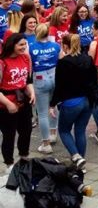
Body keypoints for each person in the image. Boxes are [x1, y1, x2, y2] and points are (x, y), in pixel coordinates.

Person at [50, 33, 98, 171]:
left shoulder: (63, 63)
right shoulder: (88, 59)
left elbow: (59, 86)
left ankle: (76, 156)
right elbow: (94, 80)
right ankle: (80, 165)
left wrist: (52, 104)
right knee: (80, 131)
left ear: (65, 46)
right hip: (87, 101)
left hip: (71, 102)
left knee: (64, 130)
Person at [0, 33, 34, 170]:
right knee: (9, 135)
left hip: (23, 100)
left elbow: (28, 80)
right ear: (12, 45)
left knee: (26, 130)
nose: (24, 47)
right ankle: (9, 164)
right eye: (21, 45)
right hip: (6, 103)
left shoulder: (26, 58)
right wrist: (8, 104)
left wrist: (32, 92)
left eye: (25, 44)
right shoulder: (2, 62)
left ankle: (24, 157)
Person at [29, 23, 61, 154]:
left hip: (40, 78)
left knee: (42, 113)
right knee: (53, 106)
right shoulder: (56, 46)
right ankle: (53, 133)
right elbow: (61, 61)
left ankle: (46, 144)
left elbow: (29, 67)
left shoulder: (31, 47)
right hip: (54, 75)